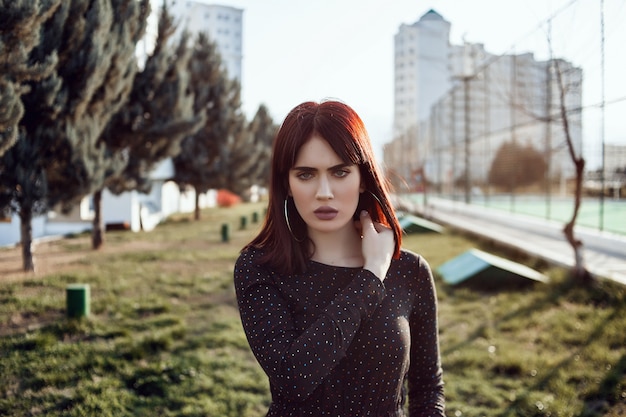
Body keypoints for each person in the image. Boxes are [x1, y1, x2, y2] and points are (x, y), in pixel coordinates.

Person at [234, 99, 445, 416]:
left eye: (340, 172)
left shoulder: (410, 270)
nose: (324, 191)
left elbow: (428, 389)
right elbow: (293, 379)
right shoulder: (260, 268)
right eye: (306, 174)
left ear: (362, 178)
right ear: (286, 184)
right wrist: (372, 274)